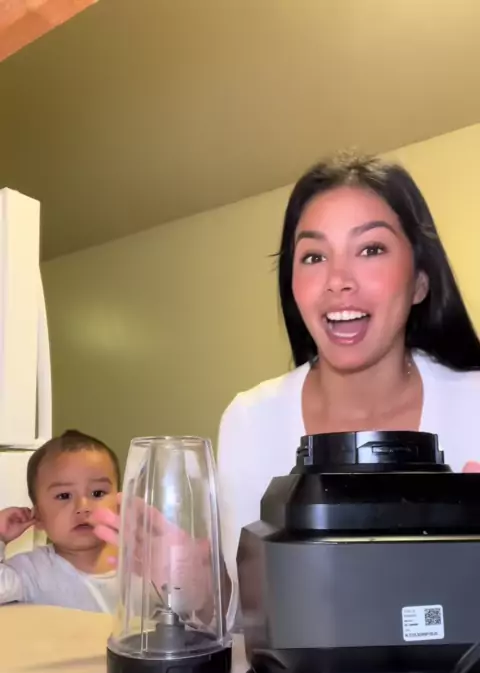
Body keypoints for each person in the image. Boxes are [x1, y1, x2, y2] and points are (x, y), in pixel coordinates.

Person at [94, 152, 480, 616]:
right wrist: (196, 588)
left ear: (419, 281)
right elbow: (249, 616)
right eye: (314, 256)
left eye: (370, 249)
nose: (338, 280)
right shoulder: (250, 420)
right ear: (293, 289)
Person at [0, 429, 120, 612]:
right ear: (38, 516)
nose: (83, 507)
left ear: (119, 504)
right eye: (64, 496)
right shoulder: (32, 571)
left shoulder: (140, 562)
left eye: (97, 493)